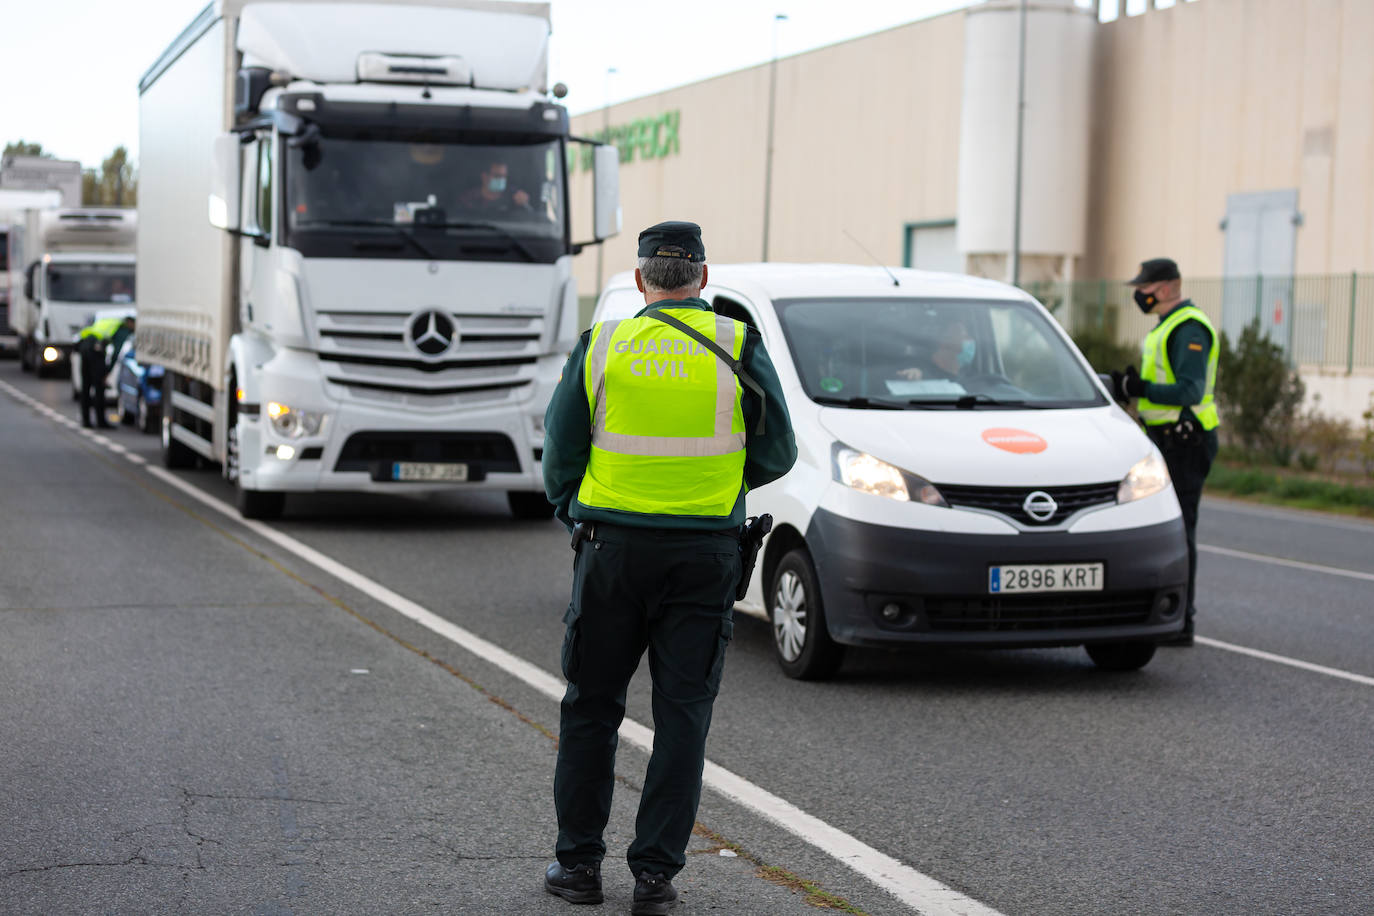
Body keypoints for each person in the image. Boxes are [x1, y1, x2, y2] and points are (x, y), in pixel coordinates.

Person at [540, 221, 796, 913]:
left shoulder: (604, 345)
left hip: (611, 551)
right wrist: (717, 493)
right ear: (704, 279)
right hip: (705, 554)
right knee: (682, 717)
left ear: (640, 278)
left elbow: (559, 452)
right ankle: (655, 878)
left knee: (591, 708)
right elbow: (779, 453)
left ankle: (579, 870)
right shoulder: (739, 343)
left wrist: (579, 514)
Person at [1113, 258, 1219, 647]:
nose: (1141, 295)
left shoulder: (1189, 328)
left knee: (1179, 530)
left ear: (1171, 285)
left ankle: (1182, 621)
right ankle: (1165, 613)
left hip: (1186, 440)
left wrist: (1139, 389)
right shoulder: (1166, 327)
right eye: (1140, 288)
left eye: (1148, 287)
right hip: (1167, 438)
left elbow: (1190, 390)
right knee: (1161, 528)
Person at [76, 314, 135, 429]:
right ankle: (101, 421)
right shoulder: (123, 330)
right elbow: (116, 353)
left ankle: (85, 420)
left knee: (86, 386)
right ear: (130, 323)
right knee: (99, 387)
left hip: (84, 346)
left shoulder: (113, 322)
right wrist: (107, 371)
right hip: (95, 349)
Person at [461, 159, 530, 212]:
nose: (501, 180)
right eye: (497, 176)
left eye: (504, 176)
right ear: (484, 177)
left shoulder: (513, 197)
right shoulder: (469, 198)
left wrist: (523, 203)